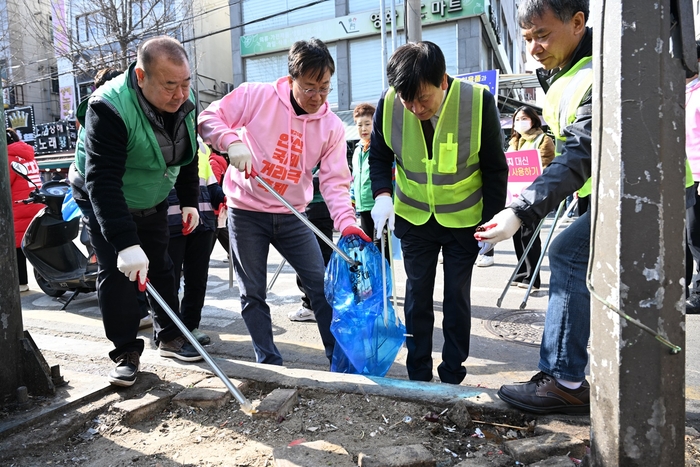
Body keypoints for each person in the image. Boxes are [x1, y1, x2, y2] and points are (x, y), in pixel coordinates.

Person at [198, 38, 370, 366]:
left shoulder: (331, 126)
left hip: (294, 214)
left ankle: (339, 361)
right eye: (309, 88)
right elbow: (209, 118)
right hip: (246, 210)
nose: (318, 97)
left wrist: (346, 221)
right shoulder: (256, 96)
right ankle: (269, 362)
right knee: (253, 292)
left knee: (320, 289)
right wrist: (231, 141)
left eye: (325, 88)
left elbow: (335, 180)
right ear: (291, 80)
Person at [476, 0, 593, 414]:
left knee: (567, 253)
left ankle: (564, 379)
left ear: (578, 22)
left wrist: (521, 211)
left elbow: (580, 153)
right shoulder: (564, 74)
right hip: (595, 195)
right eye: (527, 39)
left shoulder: (597, 74)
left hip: (633, 196)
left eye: (542, 35)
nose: (534, 48)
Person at [369, 41, 508, 384]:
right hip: (415, 217)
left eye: (423, 98)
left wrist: (492, 223)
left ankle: (452, 374)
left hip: (464, 218)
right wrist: (382, 195)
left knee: (456, 297)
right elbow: (379, 156)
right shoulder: (389, 104)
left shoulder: (476, 102)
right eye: (407, 99)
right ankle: (418, 373)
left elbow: (494, 168)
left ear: (442, 81)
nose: (415, 107)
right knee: (416, 296)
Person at [69, 36, 203, 388]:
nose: (180, 94)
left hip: (152, 194)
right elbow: (103, 180)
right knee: (120, 273)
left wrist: (189, 199)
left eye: (186, 83)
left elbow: (188, 151)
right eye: (170, 85)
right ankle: (126, 351)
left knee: (160, 262)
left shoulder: (185, 100)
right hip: (104, 195)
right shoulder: (108, 108)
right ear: (141, 77)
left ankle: (171, 336)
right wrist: (125, 243)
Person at [167, 138, 225, 345]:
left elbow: (210, 182)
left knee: (197, 279)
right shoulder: (159, 136)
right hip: (170, 221)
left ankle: (190, 326)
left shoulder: (199, 145)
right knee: (168, 280)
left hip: (203, 221)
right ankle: (169, 332)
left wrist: (224, 197)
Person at [506, 105, 555, 291]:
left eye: (524, 118)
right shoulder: (513, 142)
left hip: (534, 195)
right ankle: (521, 273)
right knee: (517, 235)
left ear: (533, 120)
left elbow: (547, 165)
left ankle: (532, 277)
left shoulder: (543, 140)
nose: (520, 122)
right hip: (515, 197)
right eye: (517, 119)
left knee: (530, 235)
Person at [288, 163, 334, 322]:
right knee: (308, 259)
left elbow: (320, 178)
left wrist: (293, 183)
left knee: (315, 259)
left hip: (317, 208)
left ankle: (314, 305)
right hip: (305, 209)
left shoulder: (321, 147)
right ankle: (315, 304)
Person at [351, 103, 390, 260]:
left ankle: (385, 283)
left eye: (367, 124)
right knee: (369, 250)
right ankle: (374, 284)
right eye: (359, 125)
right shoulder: (356, 150)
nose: (363, 128)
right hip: (363, 208)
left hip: (378, 206)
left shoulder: (380, 148)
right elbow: (354, 180)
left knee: (381, 250)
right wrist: (351, 202)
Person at [8, 127, 43, 293]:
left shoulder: (9, 158)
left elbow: (5, 184)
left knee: (17, 248)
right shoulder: (28, 156)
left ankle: (22, 282)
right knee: (38, 244)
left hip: (19, 207)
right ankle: (47, 277)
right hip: (37, 204)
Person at [685, 40, 700, 314]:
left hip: (697, 175)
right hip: (682, 175)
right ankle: (681, 288)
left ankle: (699, 294)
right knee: (684, 239)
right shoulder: (681, 92)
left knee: (696, 238)